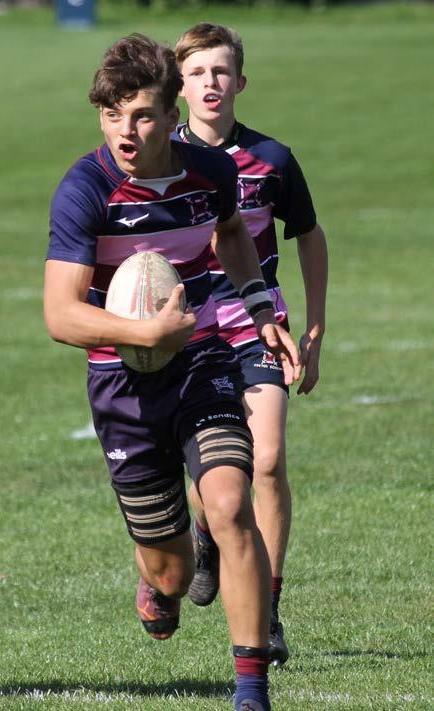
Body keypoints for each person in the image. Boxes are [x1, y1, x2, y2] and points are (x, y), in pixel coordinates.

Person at [44, 33, 301, 711]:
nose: (125, 132)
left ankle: (251, 691)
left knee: (230, 504)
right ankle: (163, 576)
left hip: (202, 360)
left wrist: (258, 306)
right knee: (172, 571)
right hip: (121, 384)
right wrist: (144, 333)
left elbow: (231, 233)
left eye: (141, 116)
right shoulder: (86, 189)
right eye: (111, 115)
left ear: (170, 111)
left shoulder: (210, 172)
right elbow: (61, 314)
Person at [175, 23, 328, 666]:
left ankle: (268, 607)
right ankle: (206, 531)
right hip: (187, 333)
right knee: (211, 477)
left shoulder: (273, 158)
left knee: (266, 461)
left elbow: (309, 234)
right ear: (179, 86)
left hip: (258, 326)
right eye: (197, 72)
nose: (210, 82)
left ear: (240, 80)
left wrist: (315, 326)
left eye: (221, 71)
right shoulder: (160, 160)